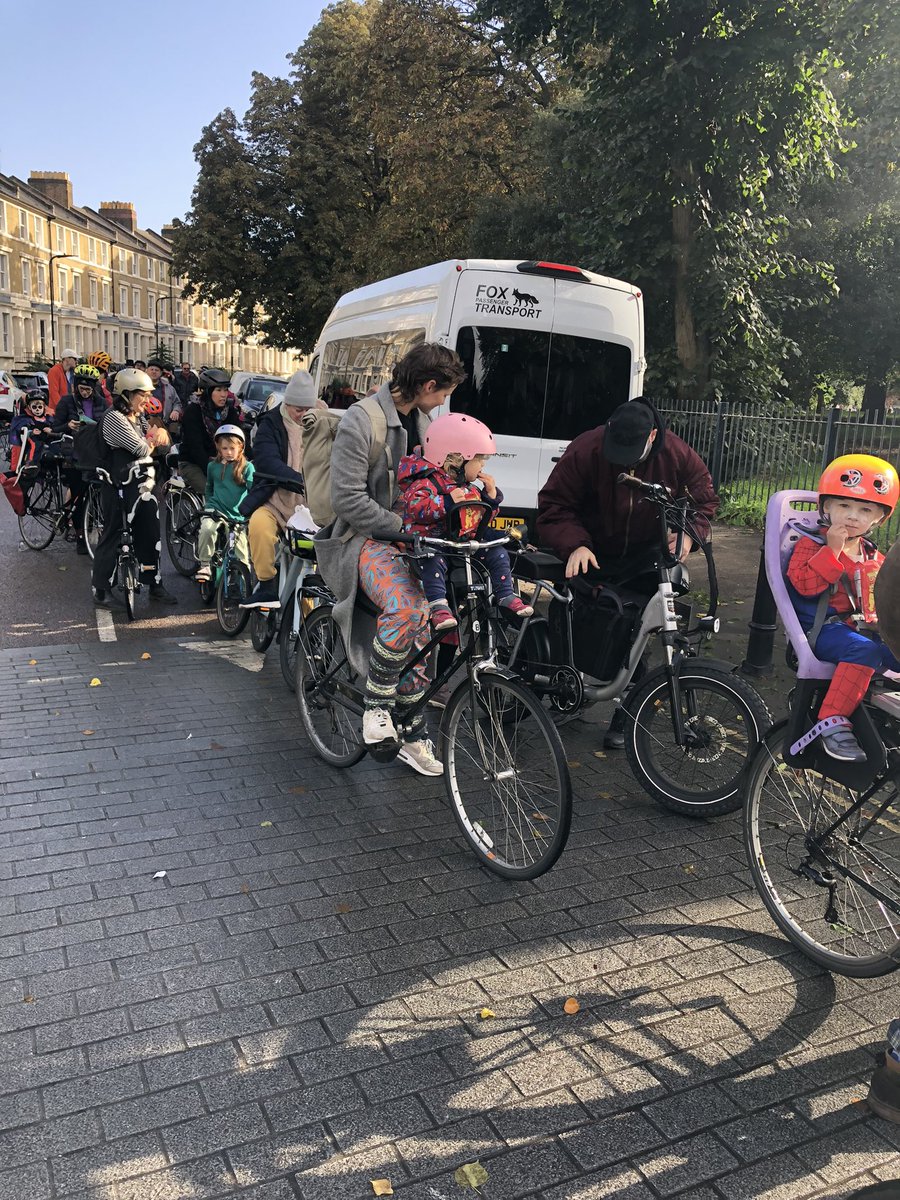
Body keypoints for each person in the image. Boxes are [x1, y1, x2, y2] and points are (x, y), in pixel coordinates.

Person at [314, 342, 467, 776]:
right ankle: (377, 709)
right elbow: (347, 500)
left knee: (432, 622)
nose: (443, 403)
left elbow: (437, 481)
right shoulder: (362, 421)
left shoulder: (424, 422)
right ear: (427, 385)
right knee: (407, 606)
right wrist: (405, 529)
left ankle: (413, 731)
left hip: (411, 542)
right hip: (360, 540)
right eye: (443, 393)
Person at [536, 396, 719, 747]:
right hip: (593, 548)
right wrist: (575, 543)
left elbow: (704, 502)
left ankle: (629, 714)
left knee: (644, 627)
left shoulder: (678, 455)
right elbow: (554, 505)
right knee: (578, 615)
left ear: (652, 436)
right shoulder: (586, 448)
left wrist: (687, 538)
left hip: (646, 554)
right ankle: (569, 687)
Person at [786, 453, 900, 762]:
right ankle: (831, 722)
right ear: (826, 507)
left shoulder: (873, 557)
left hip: (861, 631)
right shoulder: (811, 544)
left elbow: (879, 600)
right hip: (821, 629)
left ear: (879, 518)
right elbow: (804, 585)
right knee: (867, 652)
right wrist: (832, 552)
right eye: (844, 506)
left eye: (865, 510)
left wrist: (880, 622)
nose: (853, 516)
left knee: (893, 652)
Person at [398, 412, 533, 631]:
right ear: (456, 458)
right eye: (479, 459)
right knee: (433, 561)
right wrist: (445, 502)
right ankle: (439, 607)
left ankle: (506, 595)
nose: (482, 466)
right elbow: (414, 508)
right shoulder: (425, 483)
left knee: (498, 552)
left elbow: (478, 518)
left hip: (462, 546)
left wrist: (490, 498)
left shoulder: (468, 488)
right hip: (435, 544)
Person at [90, 367, 177, 610]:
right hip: (118, 485)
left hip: (142, 486)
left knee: (150, 533)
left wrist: (159, 434)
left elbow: (163, 446)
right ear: (126, 394)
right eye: (143, 395)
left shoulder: (135, 416)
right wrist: (156, 434)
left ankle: (155, 584)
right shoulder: (114, 419)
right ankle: (102, 589)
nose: (148, 400)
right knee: (114, 532)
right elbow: (141, 449)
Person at [238, 370, 317, 608]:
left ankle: (310, 611)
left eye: (307, 409)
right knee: (259, 527)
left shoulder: (322, 420)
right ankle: (267, 586)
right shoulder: (270, 423)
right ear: (288, 403)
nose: (303, 415)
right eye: (297, 410)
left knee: (317, 555)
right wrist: (298, 479)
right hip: (274, 499)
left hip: (312, 506)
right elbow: (265, 459)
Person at [196, 425, 254, 582]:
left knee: (241, 550)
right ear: (218, 448)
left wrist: (249, 511)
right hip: (216, 510)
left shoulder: (247, 468)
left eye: (232, 448)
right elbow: (209, 488)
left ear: (241, 447)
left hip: (237, 515)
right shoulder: (212, 466)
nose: (228, 452)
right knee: (207, 529)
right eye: (225, 448)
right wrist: (209, 505)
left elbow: (253, 490)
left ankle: (245, 583)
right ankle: (205, 564)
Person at [179, 368, 242, 495]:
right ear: (207, 392)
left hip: (224, 462)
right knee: (213, 493)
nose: (223, 394)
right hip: (194, 463)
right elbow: (195, 448)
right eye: (218, 390)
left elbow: (240, 438)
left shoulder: (229, 412)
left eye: (225, 390)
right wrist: (214, 471)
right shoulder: (193, 411)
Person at [9, 392, 55, 470]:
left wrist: (52, 430)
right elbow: (21, 430)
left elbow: (56, 426)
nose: (37, 409)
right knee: (36, 444)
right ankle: (30, 462)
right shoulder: (25, 419)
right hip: (33, 438)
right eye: (34, 407)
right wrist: (31, 432)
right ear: (29, 408)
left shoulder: (49, 418)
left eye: (40, 407)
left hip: (47, 437)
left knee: (56, 444)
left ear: (44, 407)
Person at [146, 359, 180, 425]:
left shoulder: (169, 388)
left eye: (156, 370)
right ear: (147, 371)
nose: (154, 372)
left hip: (164, 424)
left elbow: (177, 402)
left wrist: (176, 410)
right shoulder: (140, 388)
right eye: (152, 369)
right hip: (145, 424)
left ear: (161, 373)